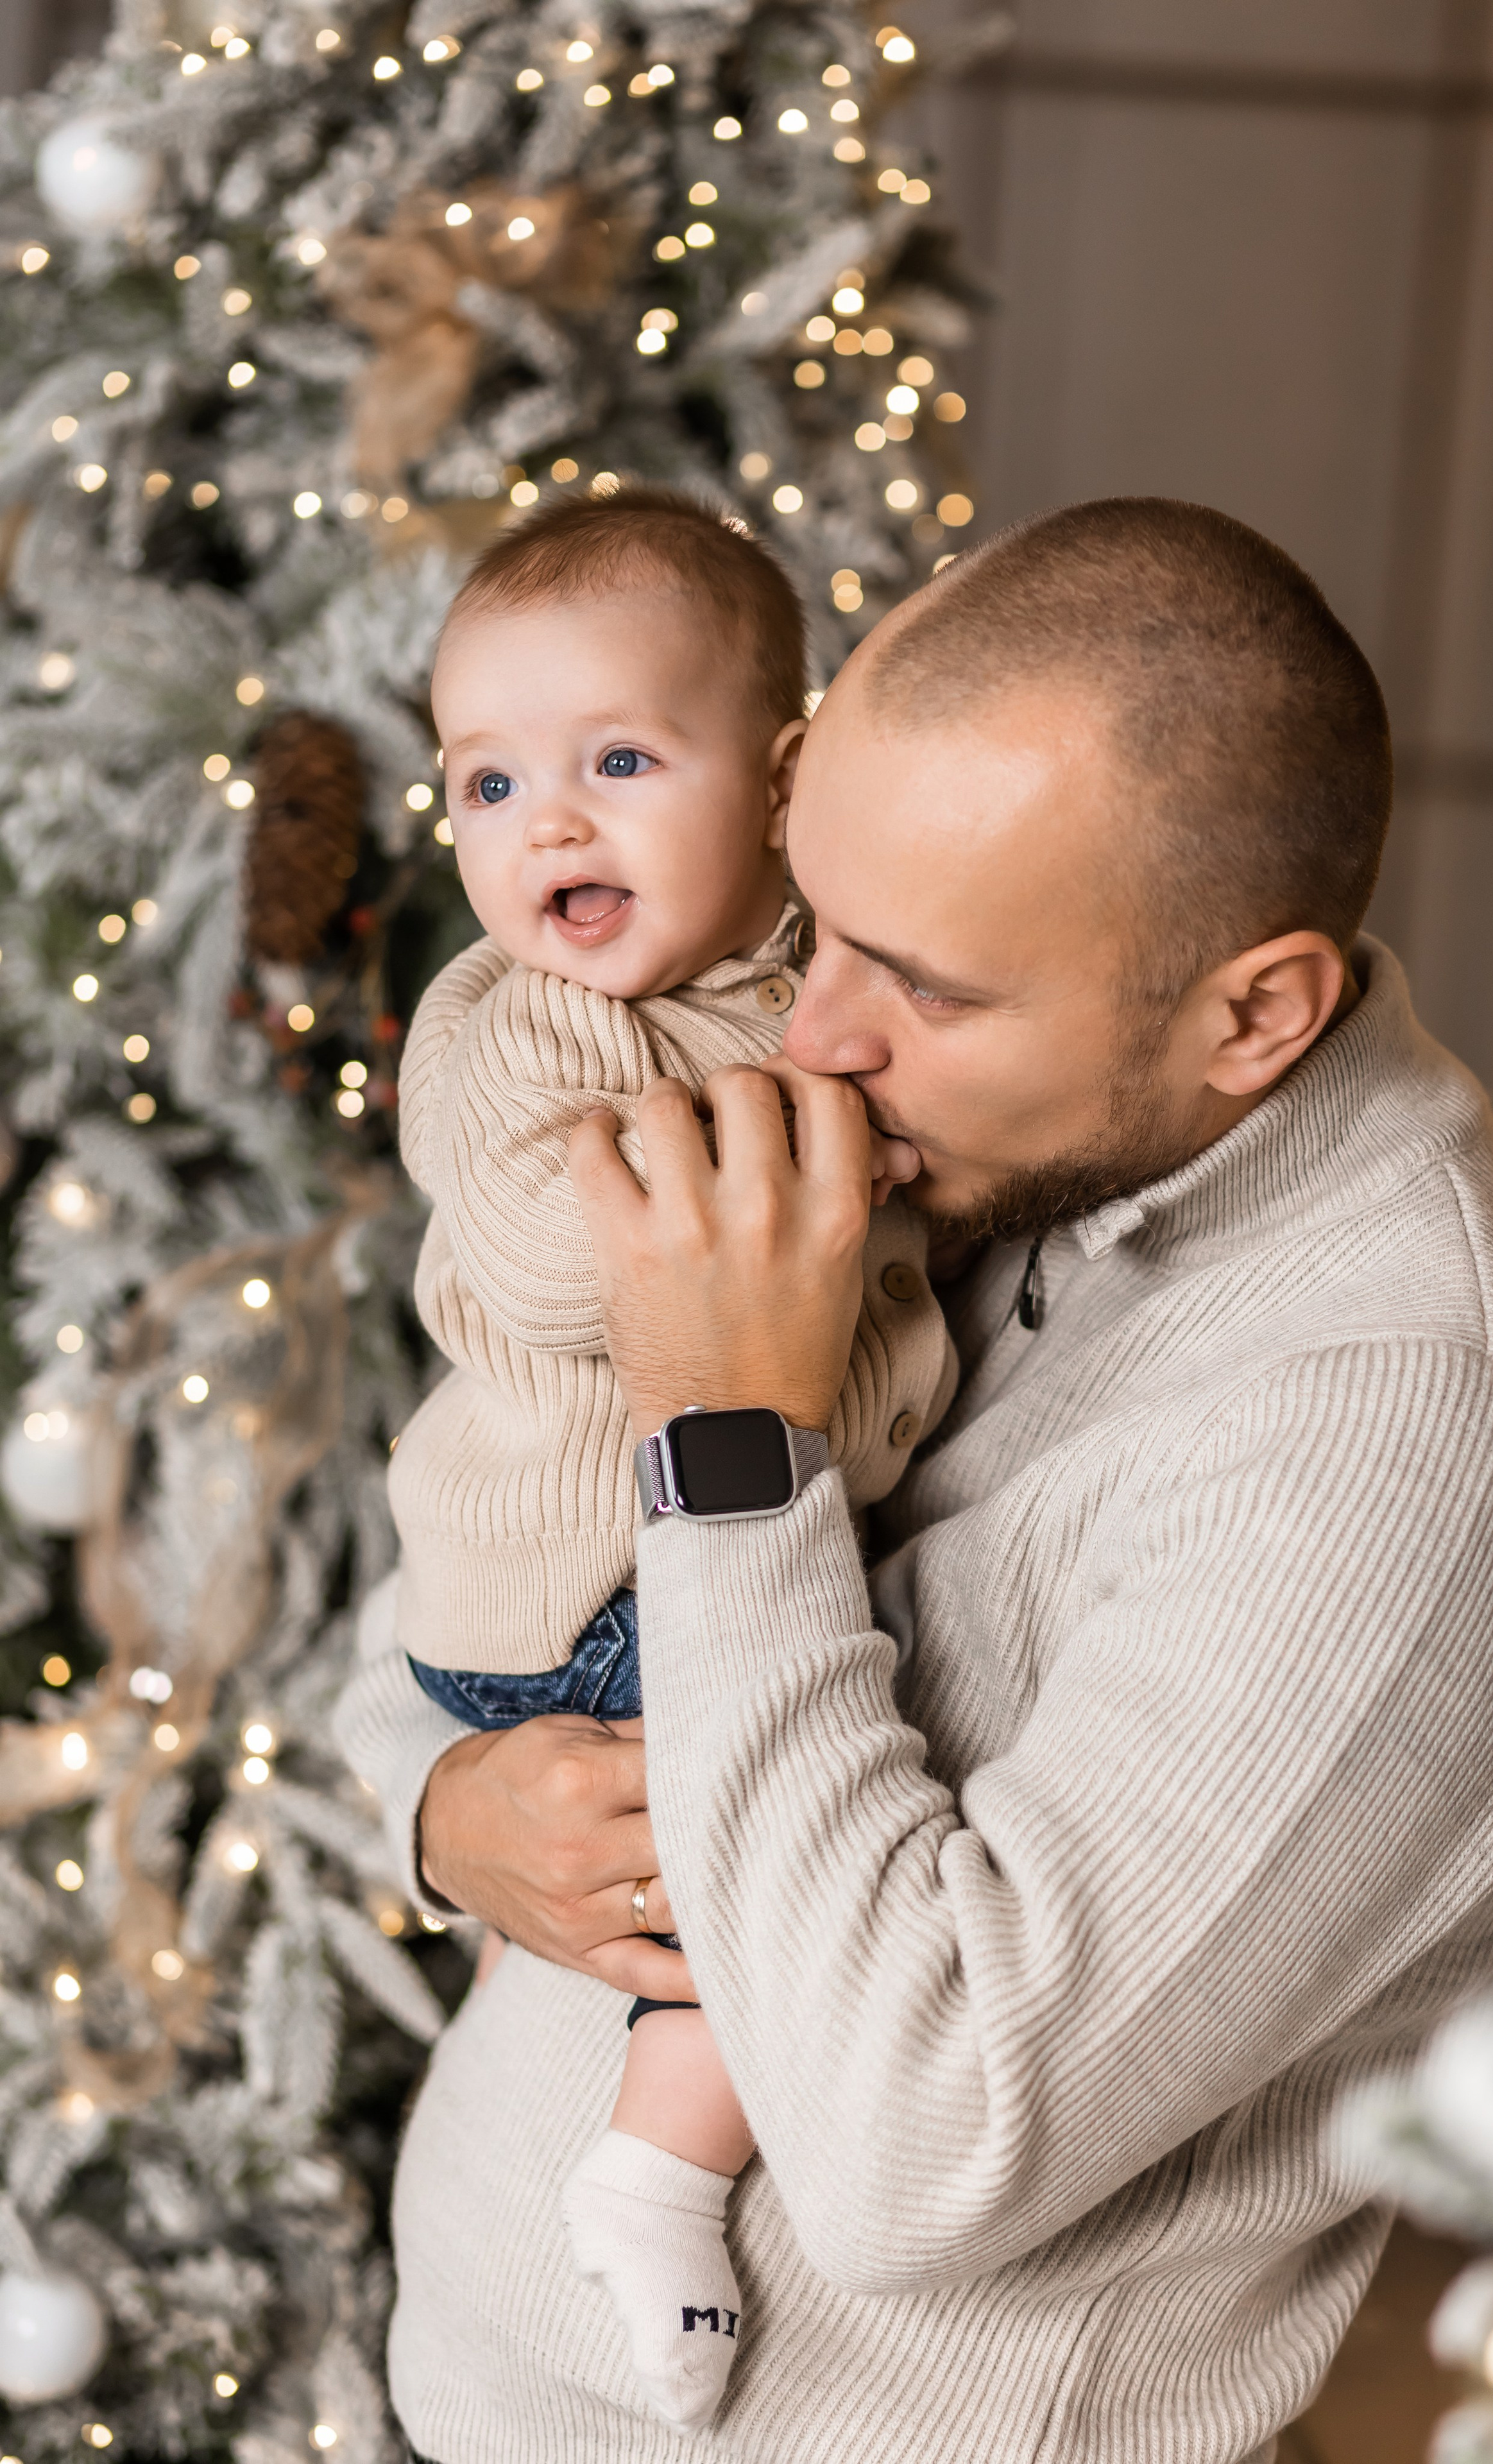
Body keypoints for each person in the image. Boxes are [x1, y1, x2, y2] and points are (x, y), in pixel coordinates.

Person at [337, 497, 1493, 2464]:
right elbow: (471, 1550)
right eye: (812, 923)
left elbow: (918, 2146)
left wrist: (738, 1445)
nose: (812, 1034)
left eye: (924, 986)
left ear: (1254, 1015)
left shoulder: (1412, 1434)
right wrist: (448, 1807)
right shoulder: (995, 1137)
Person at [380, 487, 952, 2433]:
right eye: (488, 784)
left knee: (818, 1795)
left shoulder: (812, 984)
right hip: (572, 1600)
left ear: (784, 783)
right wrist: (807, 1130)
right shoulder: (511, 1027)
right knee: (739, 1847)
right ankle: (658, 2174)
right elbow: (562, 1263)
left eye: (621, 760)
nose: (551, 824)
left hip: (723, 1527)